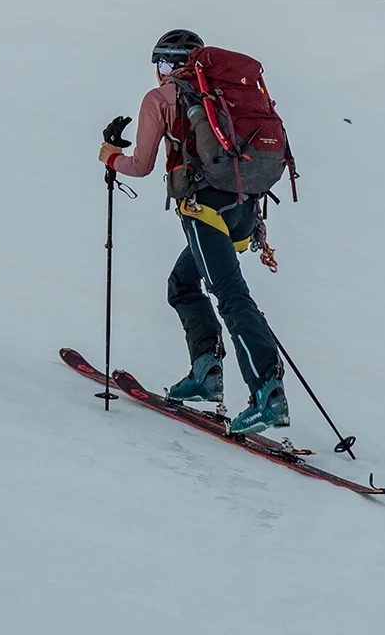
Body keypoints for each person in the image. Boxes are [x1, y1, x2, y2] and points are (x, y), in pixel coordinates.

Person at [97, 28, 289, 435]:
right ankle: (207, 374)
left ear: (170, 65)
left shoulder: (161, 99)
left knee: (232, 296)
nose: (160, 72)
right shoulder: (222, 96)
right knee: (182, 284)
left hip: (203, 210)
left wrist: (110, 156)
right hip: (243, 212)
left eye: (162, 64)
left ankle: (268, 393)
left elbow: (142, 165)